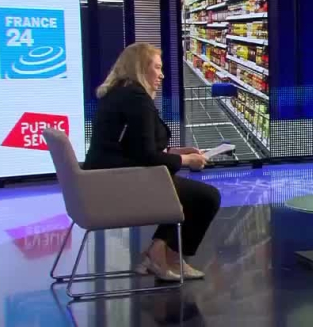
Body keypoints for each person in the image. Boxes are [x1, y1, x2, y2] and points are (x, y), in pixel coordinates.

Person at [84, 42, 221, 281]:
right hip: (117, 183)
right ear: (140, 68)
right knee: (206, 197)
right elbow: (146, 156)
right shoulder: (136, 98)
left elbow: (132, 146)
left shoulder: (119, 93)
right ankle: (165, 255)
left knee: (180, 190)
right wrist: (187, 160)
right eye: (157, 68)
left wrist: (176, 151)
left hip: (103, 179)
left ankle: (162, 255)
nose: (162, 75)